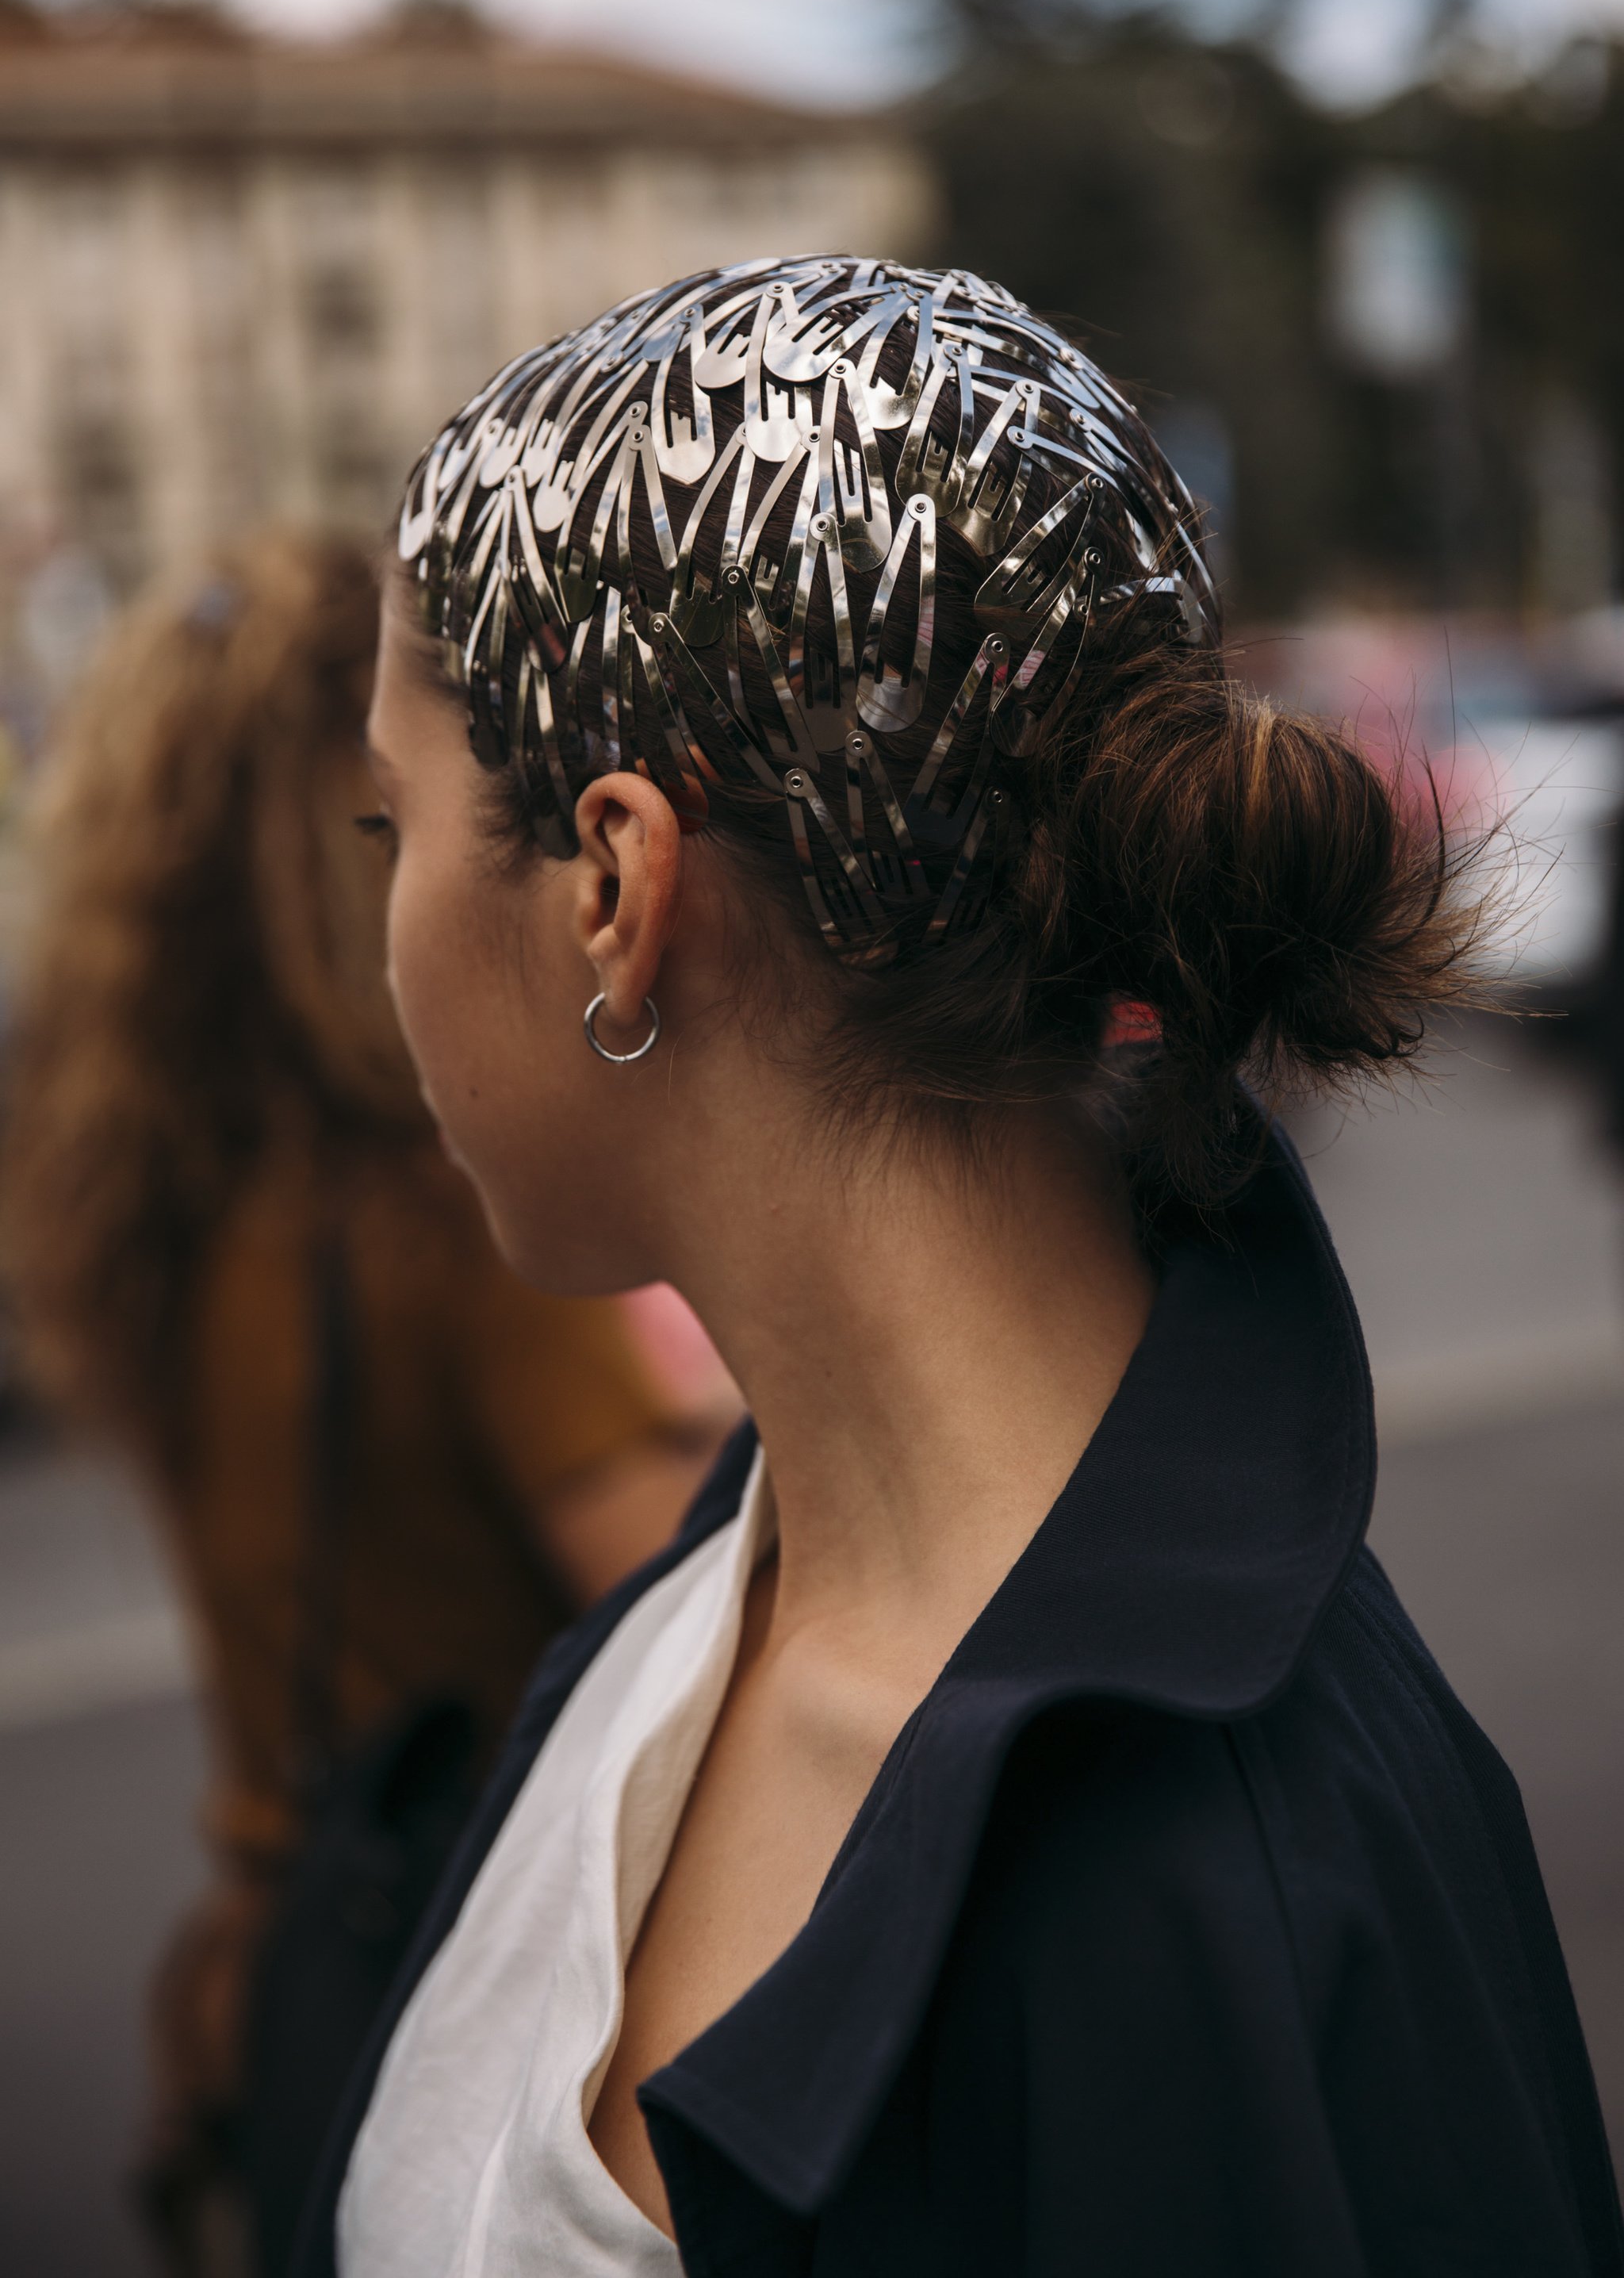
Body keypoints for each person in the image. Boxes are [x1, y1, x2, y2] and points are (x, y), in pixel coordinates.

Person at [295, 258, 1618, 2276]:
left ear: (612, 888)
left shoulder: (1226, 1899)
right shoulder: (711, 1603)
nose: (381, 927)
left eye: (395, 828)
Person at [0, 534, 722, 2276]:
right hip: (477, 1975)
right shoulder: (426, 1230)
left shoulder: (154, 1212)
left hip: (282, 1956)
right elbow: (687, 1599)